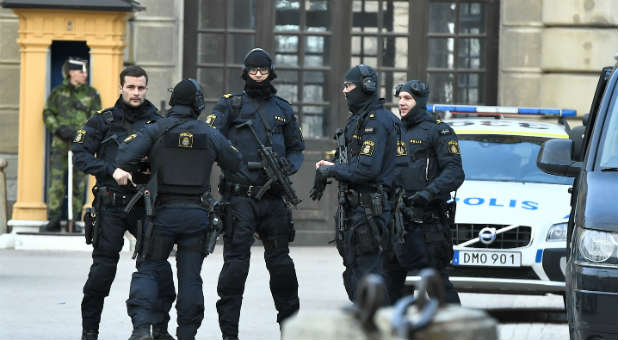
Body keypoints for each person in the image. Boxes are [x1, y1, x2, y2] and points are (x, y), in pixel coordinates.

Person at [115, 78, 247, 340]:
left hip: (161, 214)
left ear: (173, 102)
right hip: (197, 216)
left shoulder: (156, 130)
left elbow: (123, 157)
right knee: (190, 277)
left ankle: (142, 326)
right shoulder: (209, 134)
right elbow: (236, 163)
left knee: (150, 268)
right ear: (198, 104)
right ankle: (187, 333)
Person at [72, 66, 175, 340]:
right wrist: (110, 170)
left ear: (146, 89)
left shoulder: (158, 122)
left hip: (144, 204)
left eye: (141, 88)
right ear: (121, 88)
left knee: (154, 268)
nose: (136, 93)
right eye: (131, 87)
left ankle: (148, 330)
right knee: (102, 272)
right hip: (111, 204)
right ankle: (89, 331)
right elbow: (79, 155)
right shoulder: (103, 121)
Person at [209, 48, 304, 340]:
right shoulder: (230, 106)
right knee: (236, 266)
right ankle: (229, 334)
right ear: (246, 72)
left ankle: (290, 329)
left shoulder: (283, 109)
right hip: (240, 198)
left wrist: (290, 166)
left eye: (263, 71)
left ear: (270, 72)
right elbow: (209, 139)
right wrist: (230, 159)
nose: (259, 76)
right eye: (254, 71)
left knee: (282, 266)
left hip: (273, 198)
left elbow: (296, 148)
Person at [310, 64, 407, 303]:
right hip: (364, 209)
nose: (345, 91)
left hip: (370, 211)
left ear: (366, 87)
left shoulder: (375, 122)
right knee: (359, 273)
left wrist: (332, 171)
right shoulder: (363, 119)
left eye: (349, 85)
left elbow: (367, 167)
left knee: (366, 277)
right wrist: (332, 166)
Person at [388, 80, 464, 304]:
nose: (402, 103)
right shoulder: (393, 130)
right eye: (400, 98)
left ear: (419, 101)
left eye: (407, 98)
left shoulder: (439, 131)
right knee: (394, 286)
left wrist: (427, 194)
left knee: (437, 285)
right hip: (396, 222)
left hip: (427, 223)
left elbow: (455, 173)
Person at [43, 57, 101, 231]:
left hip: (81, 146)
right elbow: (47, 113)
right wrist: (59, 128)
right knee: (57, 182)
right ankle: (54, 219)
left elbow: (96, 117)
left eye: (86, 71)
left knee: (79, 183)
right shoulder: (58, 93)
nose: (85, 74)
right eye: (82, 71)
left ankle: (74, 219)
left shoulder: (91, 94)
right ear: (71, 72)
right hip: (60, 144)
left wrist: (81, 133)